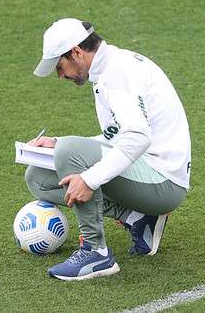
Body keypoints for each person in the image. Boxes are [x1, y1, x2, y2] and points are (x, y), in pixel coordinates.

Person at [25, 18, 192, 281]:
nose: (60, 75)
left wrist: (89, 179)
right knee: (38, 177)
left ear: (77, 52)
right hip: (151, 173)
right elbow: (118, 137)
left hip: (163, 182)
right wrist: (58, 142)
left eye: (60, 66)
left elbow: (137, 137)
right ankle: (139, 219)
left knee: (70, 153)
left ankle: (96, 253)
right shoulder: (111, 68)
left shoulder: (116, 74)